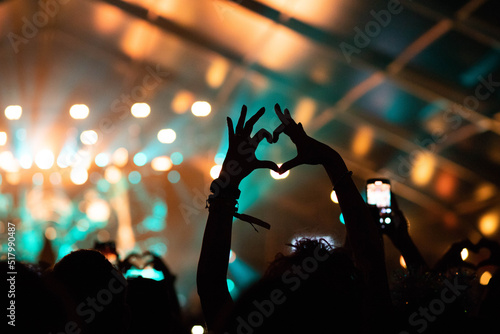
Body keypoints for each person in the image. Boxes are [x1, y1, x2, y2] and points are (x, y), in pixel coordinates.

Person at [197, 104, 393, 333]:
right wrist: (331, 161)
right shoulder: (360, 324)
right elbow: (371, 263)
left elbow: (212, 288)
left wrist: (228, 185)